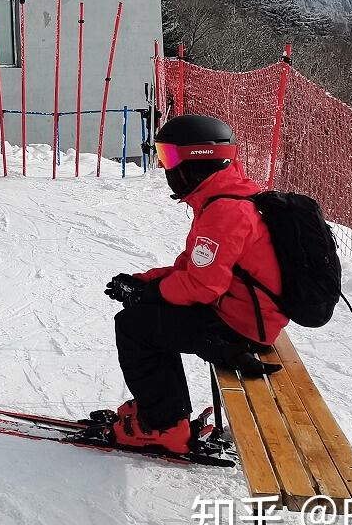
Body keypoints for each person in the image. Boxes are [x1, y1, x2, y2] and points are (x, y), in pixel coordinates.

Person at [101, 113, 284, 453]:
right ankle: (165, 413)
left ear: (198, 160)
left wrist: (150, 294)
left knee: (133, 326)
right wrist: (144, 283)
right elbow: (192, 268)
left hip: (241, 324)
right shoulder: (220, 199)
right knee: (151, 315)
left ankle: (165, 426)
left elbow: (202, 287)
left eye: (169, 156)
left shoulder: (225, 212)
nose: (166, 167)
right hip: (241, 310)